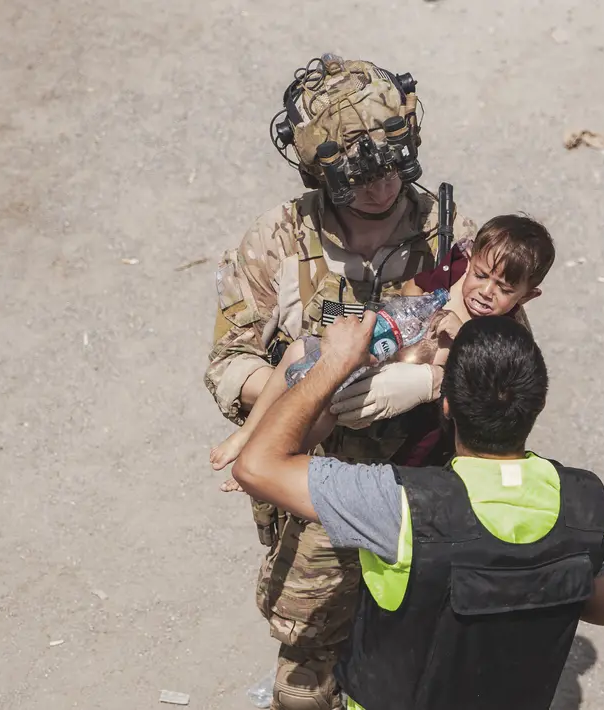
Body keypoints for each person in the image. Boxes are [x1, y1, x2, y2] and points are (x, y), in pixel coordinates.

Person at [205, 53, 481, 709]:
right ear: (316, 172)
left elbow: (509, 364)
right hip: (312, 485)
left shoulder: (451, 236)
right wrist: (300, 384)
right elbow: (227, 360)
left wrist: (428, 384)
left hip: (422, 482)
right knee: (305, 665)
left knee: (420, 646)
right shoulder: (273, 242)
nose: (381, 190)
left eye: (391, 168)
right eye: (356, 179)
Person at [232, 314, 604, 710]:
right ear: (539, 403)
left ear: (445, 406)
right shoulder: (585, 504)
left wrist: (333, 365)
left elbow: (256, 466)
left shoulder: (398, 503)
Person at [211, 214, 556, 486]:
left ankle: (275, 459)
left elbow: (493, 398)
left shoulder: (502, 335)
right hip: (381, 350)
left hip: (408, 437)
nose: (486, 292)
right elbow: (413, 288)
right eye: (481, 275)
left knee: (329, 403)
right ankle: (247, 435)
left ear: (527, 296)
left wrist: (452, 352)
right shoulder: (455, 269)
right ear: (470, 257)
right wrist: (416, 311)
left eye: (505, 289)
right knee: (297, 353)